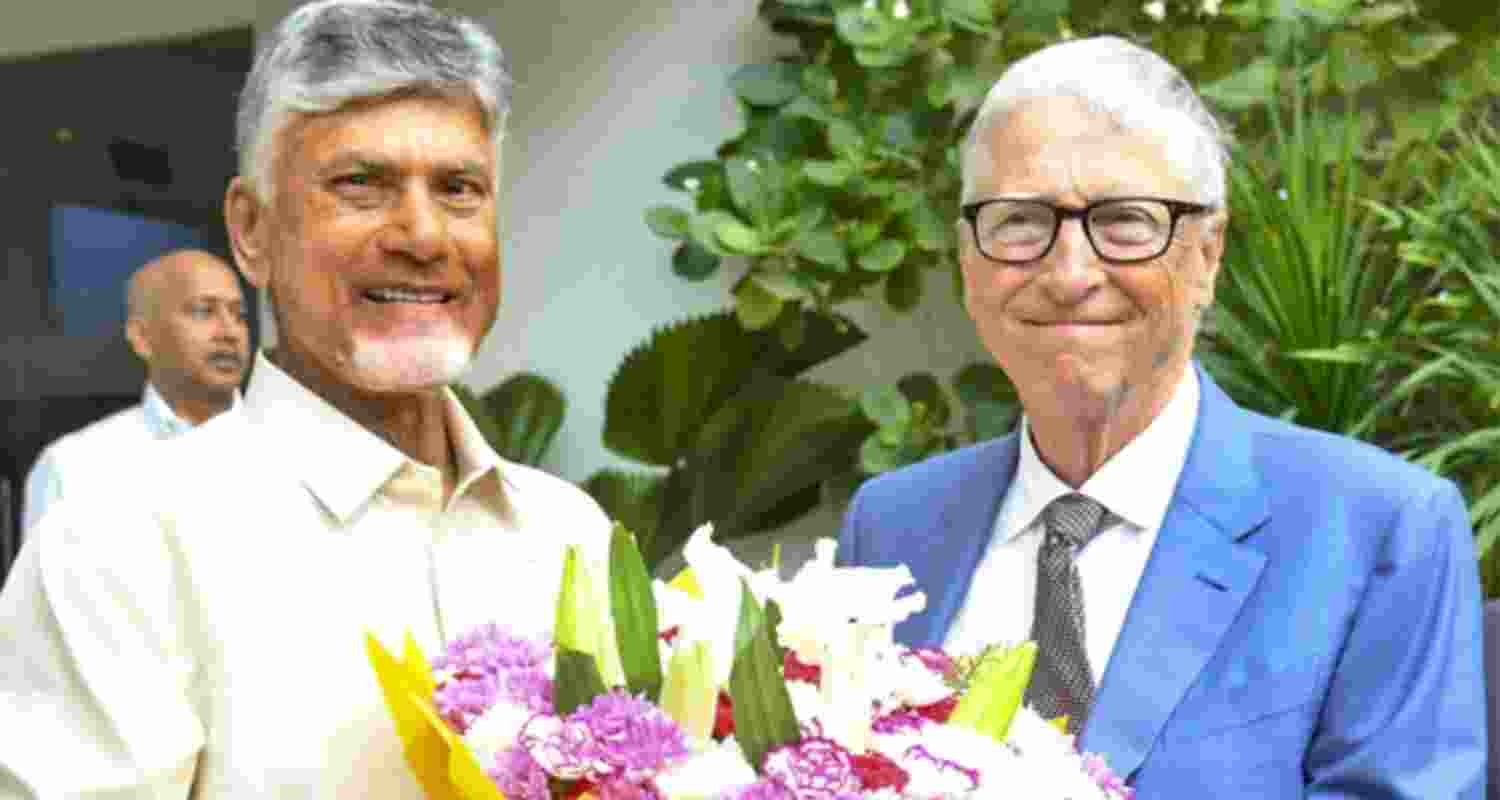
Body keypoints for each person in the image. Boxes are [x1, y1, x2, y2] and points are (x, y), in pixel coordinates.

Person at [838, 36, 1486, 797]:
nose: (1070, 274)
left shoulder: (1377, 532)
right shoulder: (893, 526)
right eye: (1019, 221)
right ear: (967, 258)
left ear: (1207, 254)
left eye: (1124, 222)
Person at [0, 1, 611, 796]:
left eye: (459, 188)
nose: (424, 236)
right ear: (251, 232)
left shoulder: (572, 535)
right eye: (361, 184)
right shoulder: (118, 547)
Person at [21, 249, 250, 533]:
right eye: (204, 311)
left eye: (240, 315)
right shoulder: (75, 469)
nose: (230, 332)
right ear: (142, 337)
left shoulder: (288, 453)